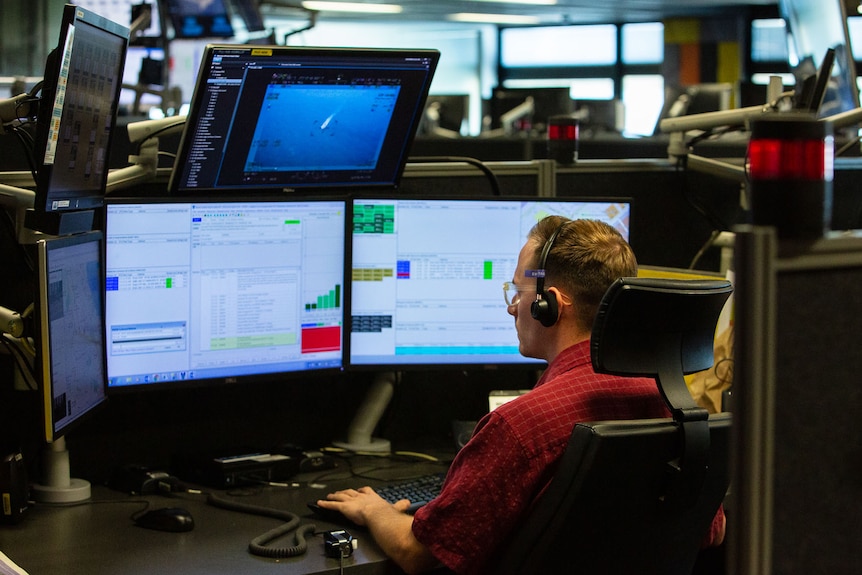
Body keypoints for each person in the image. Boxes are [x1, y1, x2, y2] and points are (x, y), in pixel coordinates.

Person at [317, 216, 726, 574]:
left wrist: (376, 511)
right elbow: (713, 531)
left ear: (550, 304)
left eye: (518, 292)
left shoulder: (522, 426)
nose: (513, 307)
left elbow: (414, 552)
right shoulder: (672, 406)